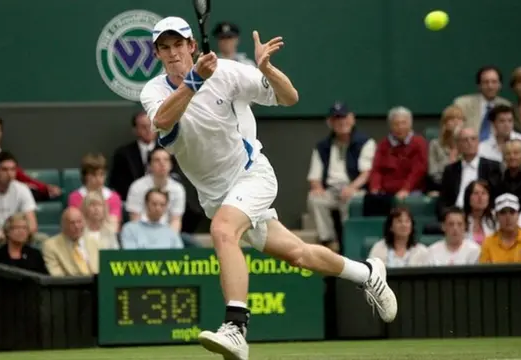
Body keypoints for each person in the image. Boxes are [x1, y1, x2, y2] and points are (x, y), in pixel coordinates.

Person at [140, 16, 397, 360]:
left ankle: (236, 327)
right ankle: (367, 273)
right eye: (164, 48)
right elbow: (162, 121)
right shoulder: (153, 91)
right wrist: (194, 80)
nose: (172, 53)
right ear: (158, 54)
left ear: (192, 46)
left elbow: (289, 97)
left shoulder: (229, 72)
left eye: (178, 45)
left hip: (252, 175)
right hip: (217, 195)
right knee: (299, 254)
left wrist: (267, 69)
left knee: (222, 230)